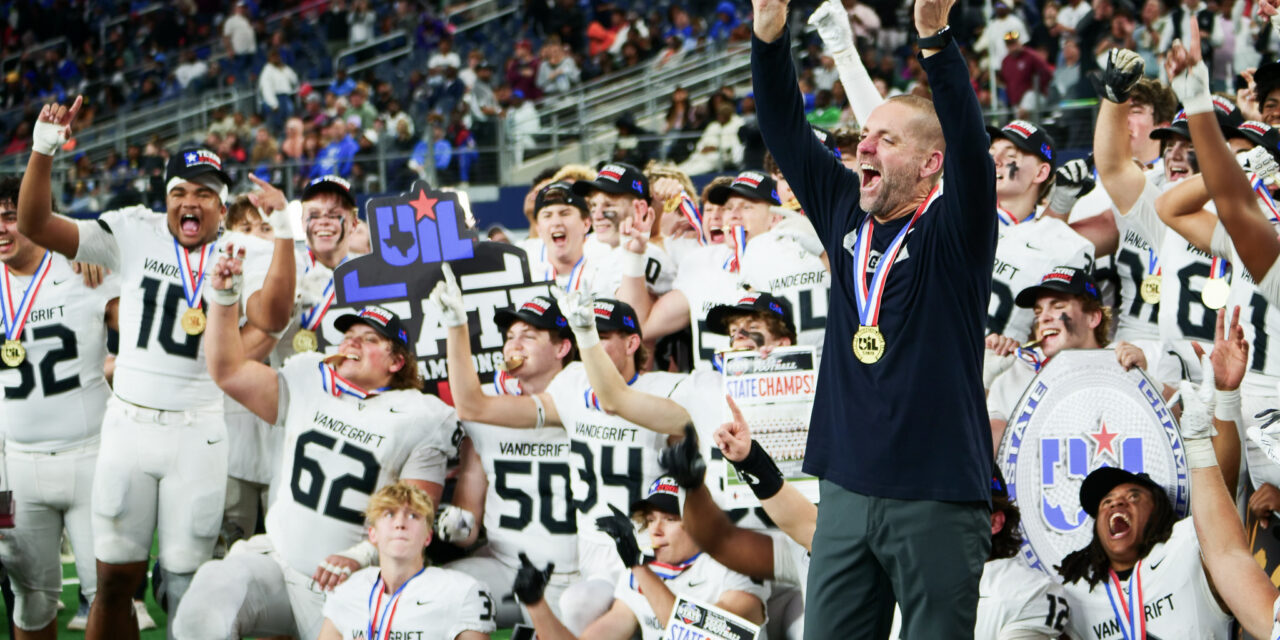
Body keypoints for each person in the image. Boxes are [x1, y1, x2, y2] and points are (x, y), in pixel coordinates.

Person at [752, 0, 997, 634]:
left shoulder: (957, 230)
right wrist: (770, 33)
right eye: (865, 136)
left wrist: (934, 41)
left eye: (885, 139)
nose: (863, 145)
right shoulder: (842, 214)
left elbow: (972, 148)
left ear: (929, 164)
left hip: (937, 494)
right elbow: (783, 126)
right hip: (844, 489)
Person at [17, 97, 296, 640]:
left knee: (189, 589)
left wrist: (283, 231)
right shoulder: (133, 232)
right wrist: (43, 149)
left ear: (221, 206)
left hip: (199, 434)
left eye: (204, 194)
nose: (190, 203)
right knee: (112, 583)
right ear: (165, 199)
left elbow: (276, 315)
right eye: (180, 192)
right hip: (129, 427)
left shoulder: (243, 250)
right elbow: (36, 222)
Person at [174, 280, 460, 639]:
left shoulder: (420, 416)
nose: (352, 342)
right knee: (210, 592)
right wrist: (225, 297)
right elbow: (227, 370)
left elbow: (418, 517)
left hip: (349, 583)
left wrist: (359, 556)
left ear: (397, 361)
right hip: (277, 562)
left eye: (370, 339)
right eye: (349, 335)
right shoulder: (310, 378)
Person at [432, 265, 691, 633]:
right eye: (585, 333)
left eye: (598, 335)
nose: (591, 346)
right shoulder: (570, 389)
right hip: (592, 557)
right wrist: (457, 328)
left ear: (633, 344)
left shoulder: (669, 387)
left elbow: (619, 401)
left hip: (655, 551)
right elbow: (473, 406)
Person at [0, 176, 118, 638]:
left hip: (91, 456)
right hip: (16, 464)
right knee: (31, 600)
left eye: (11, 216)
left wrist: (94, 251)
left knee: (109, 593)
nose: (3, 228)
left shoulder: (84, 267)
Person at [435, 297, 581, 625]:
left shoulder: (583, 395)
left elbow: (473, 404)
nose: (514, 344)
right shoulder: (486, 409)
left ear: (562, 348)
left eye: (528, 336)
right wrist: (454, 524)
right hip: (507, 569)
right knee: (429, 598)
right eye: (509, 336)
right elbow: (468, 525)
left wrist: (456, 327)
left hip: (581, 575)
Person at [514, 476, 769, 640]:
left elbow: (704, 632)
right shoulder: (639, 573)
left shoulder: (737, 564)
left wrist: (638, 567)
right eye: (649, 520)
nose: (656, 530)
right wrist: (536, 604)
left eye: (670, 519)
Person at [318, 482, 495, 639]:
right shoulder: (347, 589)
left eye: (413, 516)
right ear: (373, 534)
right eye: (389, 514)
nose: (400, 524)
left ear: (428, 536)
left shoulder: (461, 591)